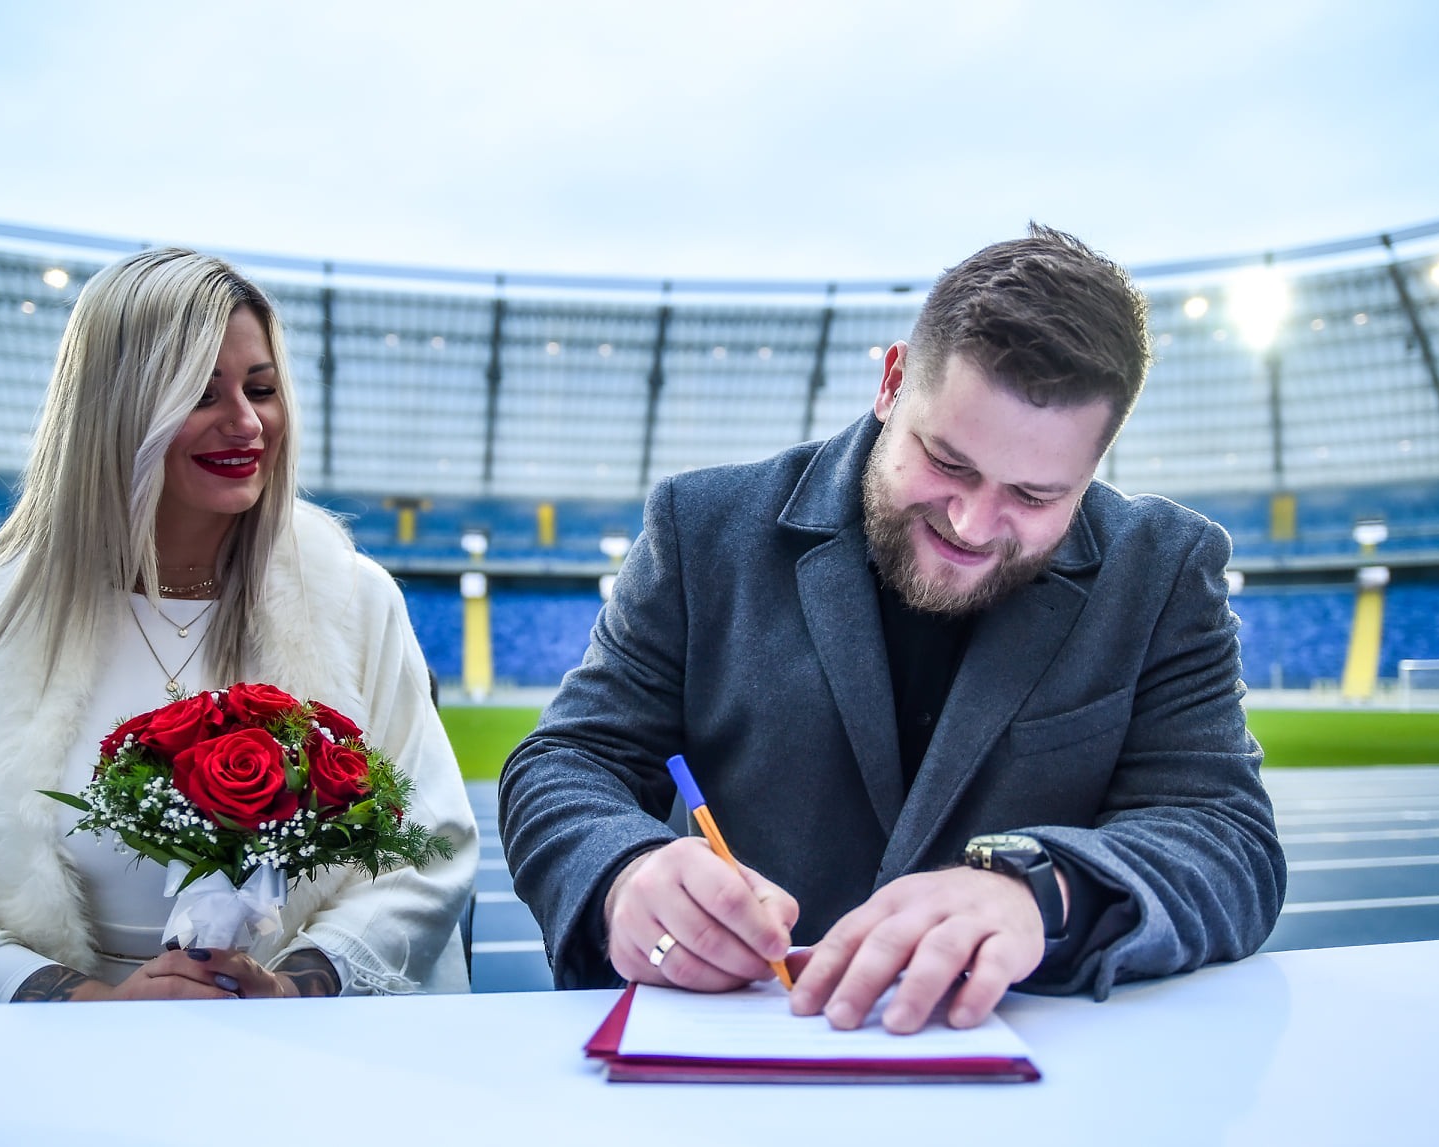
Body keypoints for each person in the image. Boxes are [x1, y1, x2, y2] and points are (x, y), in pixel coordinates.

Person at [498, 224, 1285, 1034]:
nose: (975, 524)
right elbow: (566, 760)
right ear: (892, 381)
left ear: (1095, 463)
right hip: (732, 1057)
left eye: (1036, 495)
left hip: (1026, 1082)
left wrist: (1036, 890)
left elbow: (1224, 838)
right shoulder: (702, 528)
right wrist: (624, 876)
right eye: (947, 461)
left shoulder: (1160, 571)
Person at [0, 249, 478, 1006]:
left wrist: (297, 985)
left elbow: (428, 851)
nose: (247, 423)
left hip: (298, 1045)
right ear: (115, 409)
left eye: (261, 388)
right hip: (53, 1061)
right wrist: (83, 1002)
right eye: (199, 393)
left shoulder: (355, 599)